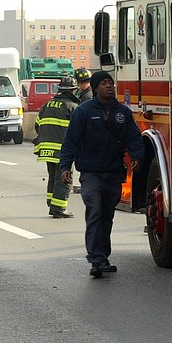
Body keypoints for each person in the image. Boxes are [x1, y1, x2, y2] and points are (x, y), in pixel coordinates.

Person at [59, 71, 144, 278]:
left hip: (113, 173)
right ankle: (96, 259)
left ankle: (103, 257)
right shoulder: (83, 112)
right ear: (95, 88)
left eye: (111, 83)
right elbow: (71, 141)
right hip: (91, 174)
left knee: (107, 216)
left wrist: (137, 156)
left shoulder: (122, 112)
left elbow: (134, 137)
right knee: (95, 211)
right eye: (104, 83)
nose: (109, 86)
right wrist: (65, 167)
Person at [33, 75, 80, 218]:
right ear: (73, 91)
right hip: (63, 150)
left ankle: (52, 204)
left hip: (46, 149)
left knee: (53, 176)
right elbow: (79, 131)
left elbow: (37, 125)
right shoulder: (73, 107)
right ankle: (59, 209)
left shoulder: (46, 105)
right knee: (64, 179)